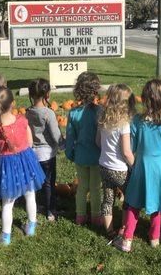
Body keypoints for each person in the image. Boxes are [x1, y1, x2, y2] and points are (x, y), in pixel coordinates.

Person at [113, 79, 161, 252]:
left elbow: (131, 148)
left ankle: (127, 238)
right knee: (157, 204)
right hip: (159, 168)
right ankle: (154, 238)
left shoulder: (137, 120)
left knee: (133, 202)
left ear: (144, 99)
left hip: (140, 166)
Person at [0, 87, 45, 245]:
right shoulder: (21, 119)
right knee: (30, 194)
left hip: (7, 165)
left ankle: (5, 236)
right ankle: (31, 226)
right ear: (13, 103)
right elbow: (30, 142)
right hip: (26, 161)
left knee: (7, 202)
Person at [96, 84, 136, 238]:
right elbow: (126, 152)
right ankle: (124, 228)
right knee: (128, 199)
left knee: (108, 199)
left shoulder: (103, 118)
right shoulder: (124, 123)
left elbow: (98, 142)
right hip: (120, 169)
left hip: (104, 165)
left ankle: (109, 230)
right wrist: (135, 165)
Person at [65, 71, 103, 226]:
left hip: (80, 156)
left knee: (81, 187)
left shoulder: (73, 113)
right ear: (96, 91)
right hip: (97, 157)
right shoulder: (101, 112)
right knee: (95, 188)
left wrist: (70, 153)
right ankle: (95, 216)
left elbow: (70, 137)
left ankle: (80, 216)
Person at [26, 78, 64, 221]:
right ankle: (50, 211)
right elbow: (55, 134)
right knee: (48, 183)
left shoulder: (28, 112)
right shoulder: (48, 113)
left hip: (33, 152)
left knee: (37, 182)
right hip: (47, 154)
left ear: (30, 95)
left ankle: (38, 205)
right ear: (47, 95)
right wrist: (63, 145)